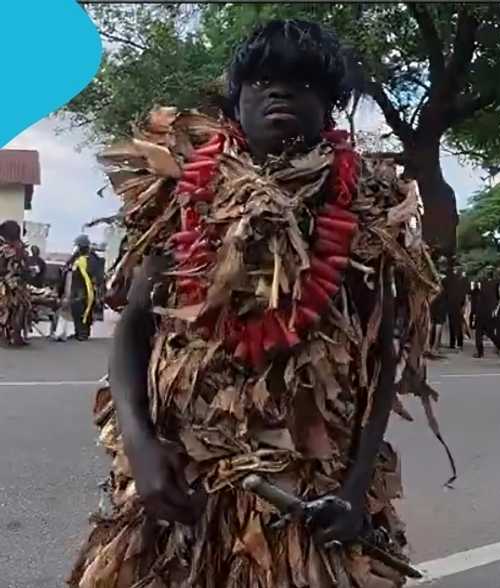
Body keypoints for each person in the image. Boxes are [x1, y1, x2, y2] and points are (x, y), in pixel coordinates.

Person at [69, 20, 446, 587]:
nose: (280, 93)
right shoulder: (182, 194)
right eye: (262, 80)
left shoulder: (368, 206)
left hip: (308, 489)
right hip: (182, 481)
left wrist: (353, 489)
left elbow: (380, 362)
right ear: (235, 100)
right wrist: (142, 449)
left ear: (328, 103)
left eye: (301, 83)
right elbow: (136, 328)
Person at [0, 220, 30, 347]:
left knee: (8, 310)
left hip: (7, 284)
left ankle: (10, 336)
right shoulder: (21, 249)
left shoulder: (6, 249)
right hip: (17, 285)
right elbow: (24, 268)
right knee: (18, 310)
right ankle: (15, 336)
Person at [67, 235, 100, 341]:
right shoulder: (77, 257)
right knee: (76, 310)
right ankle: (78, 332)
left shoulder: (92, 258)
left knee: (84, 310)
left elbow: (94, 274)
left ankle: (83, 333)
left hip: (86, 288)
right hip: (77, 287)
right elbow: (68, 265)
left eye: (78, 246)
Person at [472, 267, 500, 358]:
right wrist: (496, 309)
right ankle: (499, 344)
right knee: (489, 331)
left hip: (481, 309)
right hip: (490, 310)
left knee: (479, 332)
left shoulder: (482, 282)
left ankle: (480, 352)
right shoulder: (496, 283)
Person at [444, 263, 467, 352]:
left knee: (455, 325)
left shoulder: (458, 280)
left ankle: (455, 343)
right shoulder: (459, 280)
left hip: (456, 304)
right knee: (455, 325)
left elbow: (465, 294)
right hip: (455, 304)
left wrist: (464, 305)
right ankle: (455, 343)